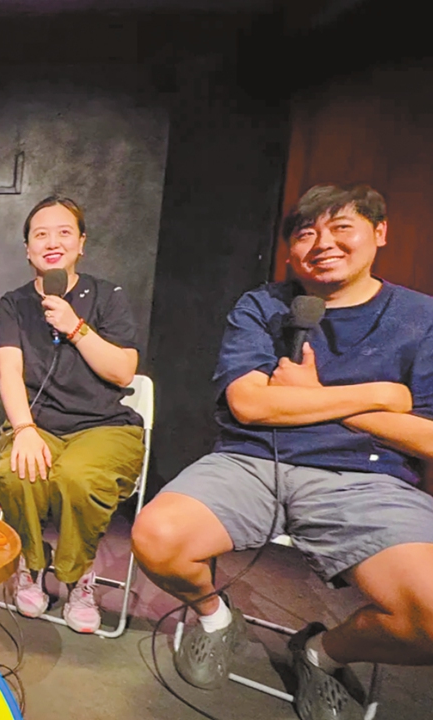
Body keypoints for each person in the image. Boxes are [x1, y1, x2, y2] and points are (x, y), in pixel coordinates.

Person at [132, 184, 433, 720]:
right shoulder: (264, 306)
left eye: (342, 227)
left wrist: (314, 397)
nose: (323, 243)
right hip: (251, 462)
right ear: (291, 248)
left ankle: (322, 653)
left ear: (379, 232)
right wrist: (380, 398)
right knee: (156, 538)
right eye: (307, 232)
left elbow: (427, 437)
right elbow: (248, 405)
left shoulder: (420, 318)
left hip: (366, 476)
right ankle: (215, 616)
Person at [0, 195, 145, 634]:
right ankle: (31, 566)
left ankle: (78, 577)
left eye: (63, 232)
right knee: (16, 474)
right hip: (37, 424)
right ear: (27, 249)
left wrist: (74, 326)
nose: (52, 241)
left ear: (81, 243)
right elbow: (9, 374)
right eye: (40, 234)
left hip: (103, 427)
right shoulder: (14, 304)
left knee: (77, 476)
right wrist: (24, 430)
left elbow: (123, 370)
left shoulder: (107, 296)